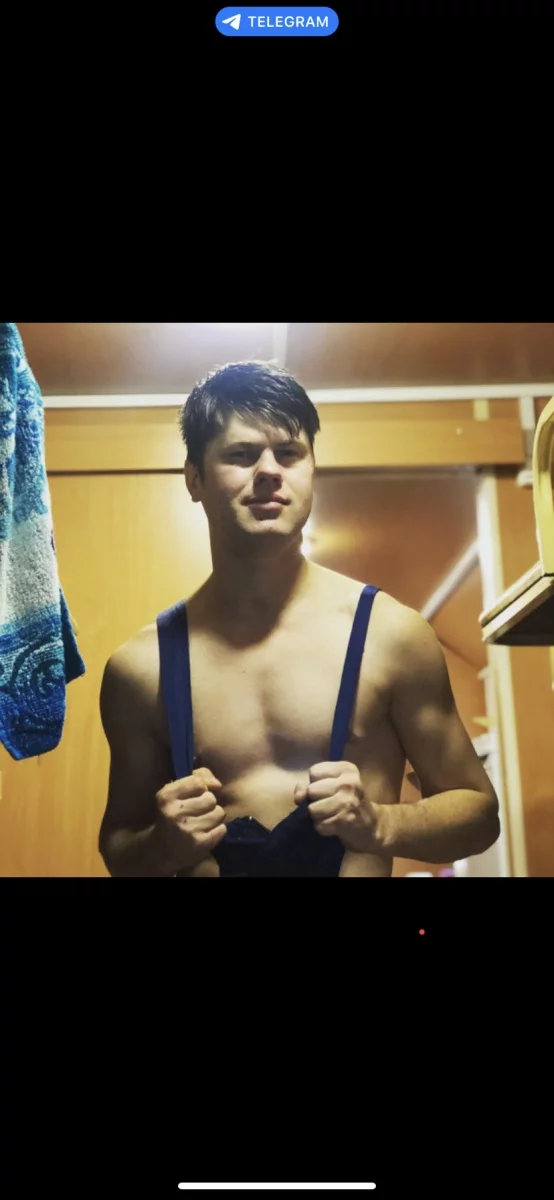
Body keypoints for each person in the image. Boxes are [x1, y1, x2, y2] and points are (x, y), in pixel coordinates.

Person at [98, 360, 500, 878]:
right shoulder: (141, 667)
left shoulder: (390, 635)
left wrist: (381, 824)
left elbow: (479, 814)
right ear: (194, 478)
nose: (269, 471)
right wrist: (162, 845)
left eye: (289, 453)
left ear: (311, 468)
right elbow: (119, 845)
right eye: (241, 454)